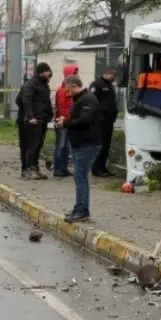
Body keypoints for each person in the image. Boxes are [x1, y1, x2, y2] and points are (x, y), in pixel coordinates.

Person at [60, 74, 102, 223]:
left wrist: (66, 123)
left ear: (74, 86)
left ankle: (82, 210)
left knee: (80, 177)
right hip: (81, 143)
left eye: (68, 89)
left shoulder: (87, 99)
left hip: (87, 144)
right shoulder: (81, 99)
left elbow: (85, 120)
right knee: (80, 177)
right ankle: (80, 208)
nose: (66, 92)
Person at [15, 62, 53, 180]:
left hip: (42, 120)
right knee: (29, 146)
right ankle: (26, 169)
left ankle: (34, 168)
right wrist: (30, 116)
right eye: (48, 72)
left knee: (37, 145)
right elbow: (23, 100)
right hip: (31, 121)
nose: (50, 74)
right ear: (43, 71)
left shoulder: (43, 85)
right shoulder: (30, 84)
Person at [90, 66, 119, 177]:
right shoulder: (96, 85)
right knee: (100, 144)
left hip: (109, 120)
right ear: (107, 73)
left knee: (106, 145)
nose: (115, 77)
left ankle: (103, 167)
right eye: (114, 75)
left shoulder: (110, 86)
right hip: (100, 120)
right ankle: (96, 168)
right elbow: (92, 101)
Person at [51, 65, 79, 177]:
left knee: (66, 146)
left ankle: (63, 167)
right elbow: (64, 107)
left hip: (67, 121)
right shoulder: (63, 91)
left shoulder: (66, 90)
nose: (77, 75)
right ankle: (58, 168)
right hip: (62, 122)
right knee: (61, 145)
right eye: (75, 73)